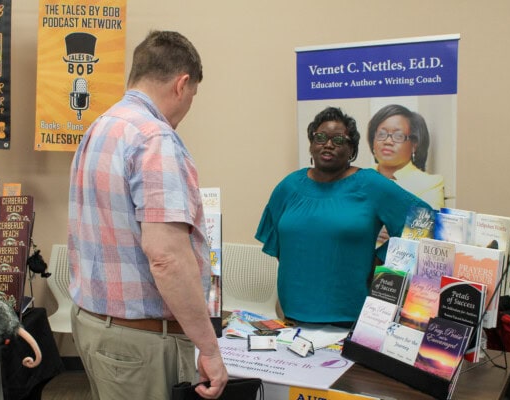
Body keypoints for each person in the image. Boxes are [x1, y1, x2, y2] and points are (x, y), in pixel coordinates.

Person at [68, 30, 227, 400]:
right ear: (181, 84)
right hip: (139, 342)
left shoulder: (99, 127)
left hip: (94, 326)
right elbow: (167, 258)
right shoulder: (155, 139)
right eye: (192, 95)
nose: (188, 106)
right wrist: (209, 347)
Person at [255, 107, 432, 325]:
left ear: (352, 149)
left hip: (351, 317)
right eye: (320, 137)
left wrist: (381, 262)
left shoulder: (370, 184)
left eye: (338, 140)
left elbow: (424, 219)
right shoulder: (289, 186)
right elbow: (281, 247)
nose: (328, 144)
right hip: (293, 313)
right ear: (311, 145)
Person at [367, 104, 444, 210]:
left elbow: (424, 225)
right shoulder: (358, 177)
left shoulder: (430, 184)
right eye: (381, 134)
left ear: (414, 144)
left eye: (398, 136)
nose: (388, 141)